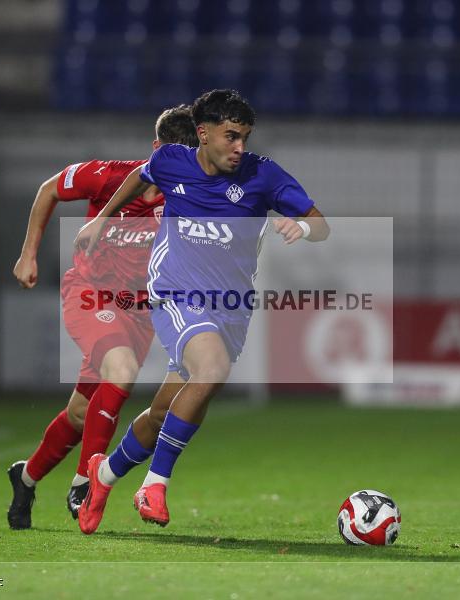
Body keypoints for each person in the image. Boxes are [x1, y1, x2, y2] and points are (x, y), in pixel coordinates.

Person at [75, 89, 330, 534]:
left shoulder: (263, 175)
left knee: (163, 412)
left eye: (245, 138)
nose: (240, 148)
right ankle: (154, 485)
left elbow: (321, 225)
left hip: (229, 309)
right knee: (210, 368)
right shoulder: (173, 161)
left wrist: (302, 225)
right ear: (203, 133)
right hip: (175, 293)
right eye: (231, 137)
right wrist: (104, 219)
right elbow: (139, 175)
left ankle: (104, 475)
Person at [6, 105, 198, 529]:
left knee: (81, 412)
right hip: (89, 294)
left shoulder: (186, 197)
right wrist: (28, 254)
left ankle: (26, 477)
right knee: (123, 368)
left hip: (137, 312)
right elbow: (49, 190)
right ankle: (83, 482)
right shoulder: (109, 176)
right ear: (156, 150)